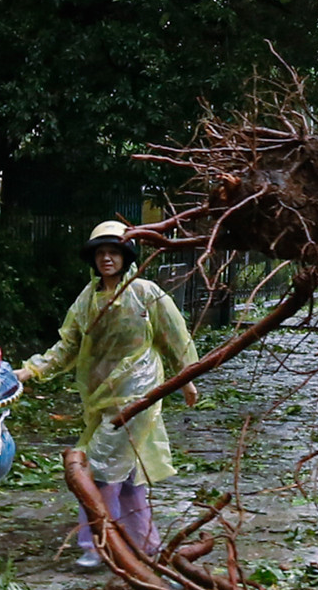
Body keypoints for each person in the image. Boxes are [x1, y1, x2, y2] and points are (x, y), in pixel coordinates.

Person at [16, 220, 199, 569]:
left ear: (125, 256)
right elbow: (68, 344)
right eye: (100, 253)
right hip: (100, 396)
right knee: (127, 474)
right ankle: (145, 545)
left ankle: (97, 545)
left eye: (113, 251)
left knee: (99, 466)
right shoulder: (87, 300)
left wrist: (187, 377)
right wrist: (31, 370)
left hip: (139, 392)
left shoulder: (145, 293)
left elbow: (175, 337)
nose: (106, 259)